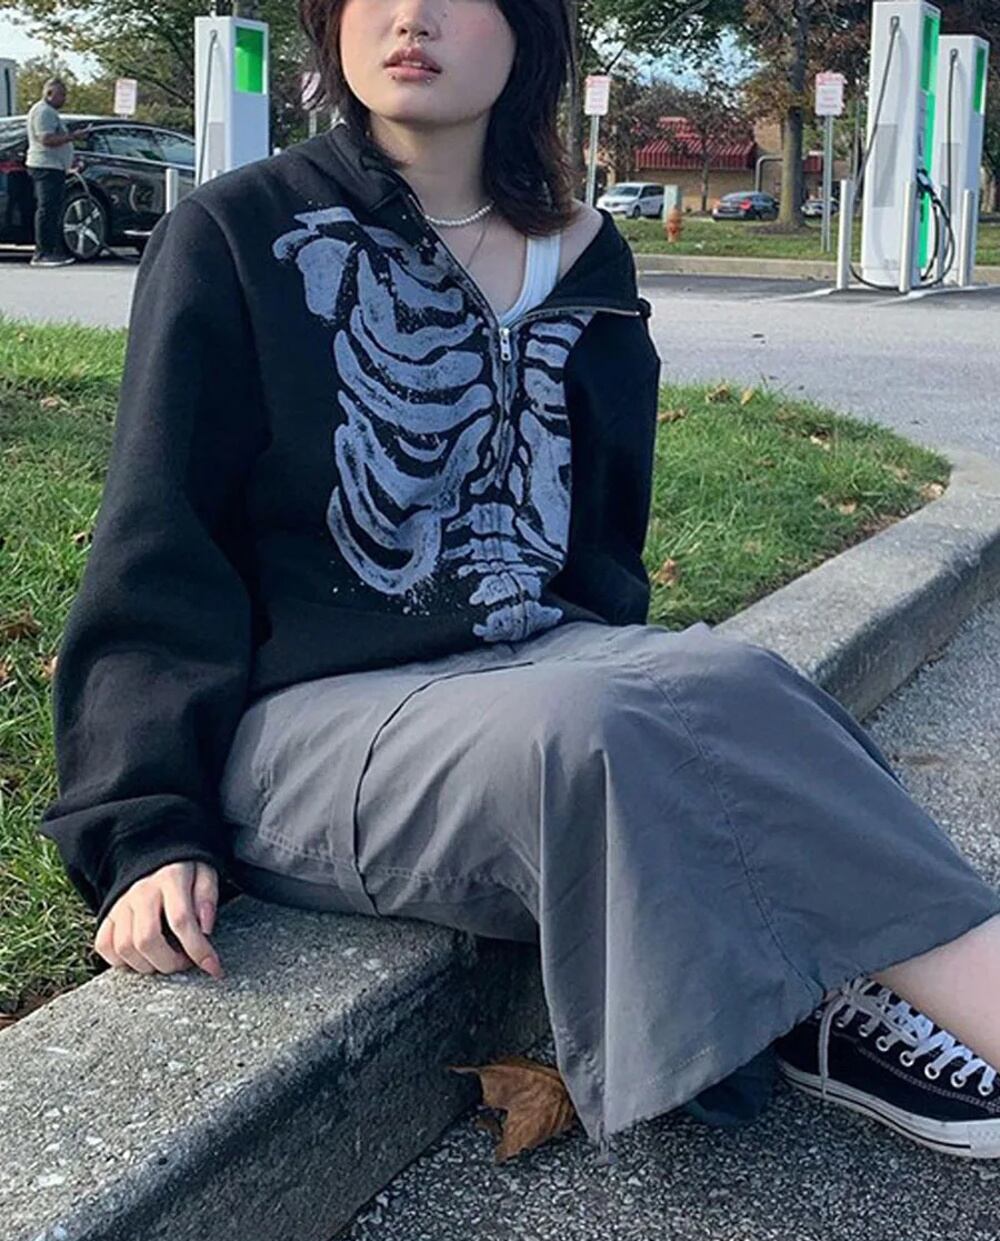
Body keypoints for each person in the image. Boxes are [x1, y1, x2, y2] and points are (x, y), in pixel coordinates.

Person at [38, 0, 1000, 1162]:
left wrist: (644, 687)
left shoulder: (584, 252)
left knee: (733, 676)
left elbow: (600, 545)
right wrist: (144, 828)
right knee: (593, 725)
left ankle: (832, 998)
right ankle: (853, 982)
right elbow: (159, 539)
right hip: (309, 720)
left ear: (527, 32)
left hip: (531, 664)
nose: (410, 17)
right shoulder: (241, 231)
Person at [25, 76, 85, 268]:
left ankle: (52, 250)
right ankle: (42, 253)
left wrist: (69, 159)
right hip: (45, 167)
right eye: (61, 95)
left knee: (53, 209)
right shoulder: (43, 112)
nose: (64, 99)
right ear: (49, 93)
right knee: (47, 209)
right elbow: (46, 139)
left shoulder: (49, 112)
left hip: (55, 166)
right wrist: (73, 136)